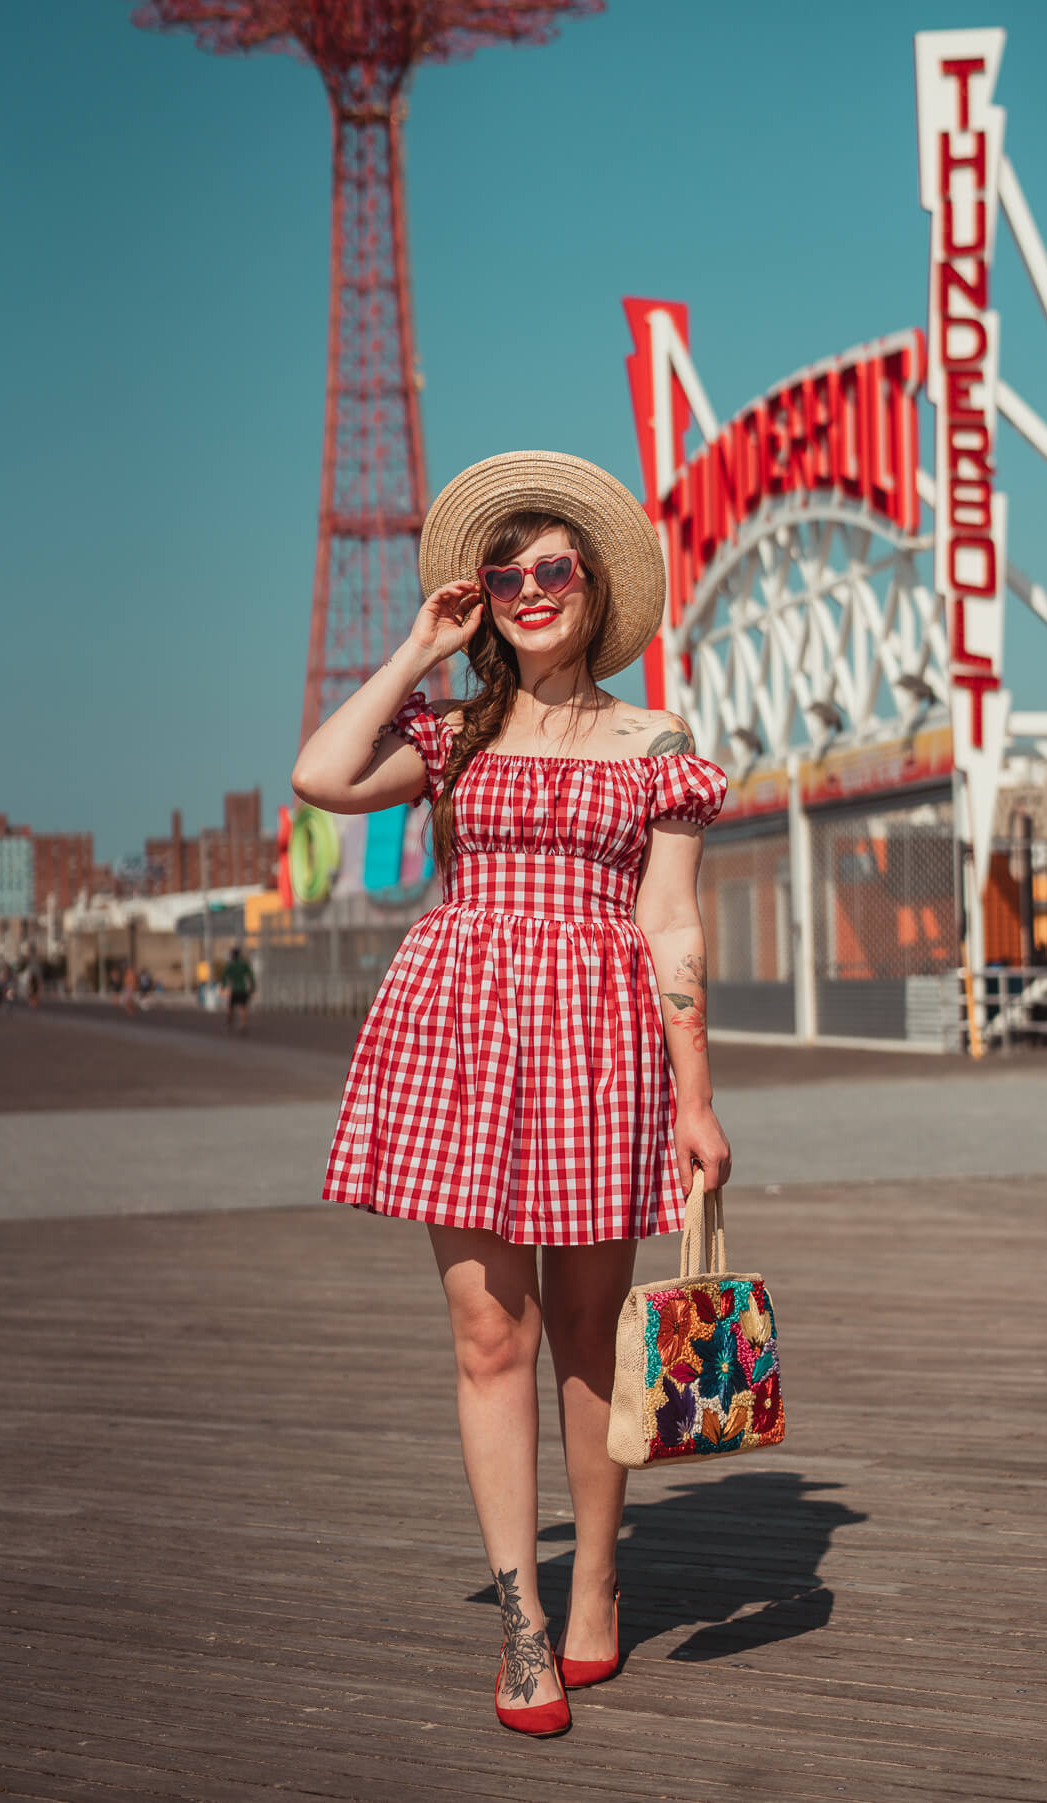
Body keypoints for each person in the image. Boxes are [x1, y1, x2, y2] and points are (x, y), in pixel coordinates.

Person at [294, 452, 731, 1741]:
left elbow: (673, 927)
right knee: (491, 1336)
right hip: (466, 1038)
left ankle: (596, 1577)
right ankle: (523, 1620)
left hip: (601, 1040)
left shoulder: (654, 741)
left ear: (593, 587)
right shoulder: (451, 729)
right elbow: (321, 775)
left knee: (593, 1337)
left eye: (552, 568)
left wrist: (696, 1102)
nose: (529, 588)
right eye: (506, 573)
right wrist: (420, 646)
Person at [220, 946, 255, 1033]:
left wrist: (223, 987)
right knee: (243, 1008)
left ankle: (229, 1024)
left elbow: (224, 976)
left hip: (234, 989)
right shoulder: (244, 964)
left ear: (232, 955)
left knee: (230, 1008)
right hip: (243, 989)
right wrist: (253, 986)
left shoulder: (230, 965)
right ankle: (243, 1025)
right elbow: (251, 976)